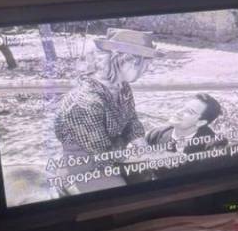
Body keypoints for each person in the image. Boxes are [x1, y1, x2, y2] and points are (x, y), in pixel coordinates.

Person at [52, 28, 160, 193]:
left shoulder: (122, 87)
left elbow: (131, 122)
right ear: (127, 61)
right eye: (145, 65)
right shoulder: (84, 101)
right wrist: (152, 157)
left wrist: (147, 151)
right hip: (84, 167)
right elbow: (104, 155)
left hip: (115, 157)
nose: (147, 70)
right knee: (123, 195)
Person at [145, 93, 229, 155]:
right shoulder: (155, 135)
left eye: (189, 111)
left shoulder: (213, 143)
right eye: (182, 107)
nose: (179, 112)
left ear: (200, 122)